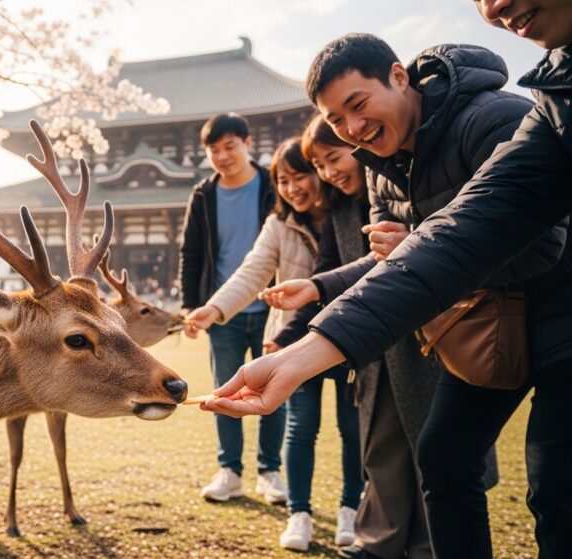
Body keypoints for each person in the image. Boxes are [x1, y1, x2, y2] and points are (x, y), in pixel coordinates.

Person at [203, 19, 572, 558]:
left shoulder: (496, 117)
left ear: (399, 77)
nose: (352, 126)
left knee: (554, 484)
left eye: (358, 103)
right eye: (335, 119)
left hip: (558, 312)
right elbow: (392, 265)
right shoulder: (380, 166)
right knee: (443, 459)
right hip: (484, 321)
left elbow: (536, 244)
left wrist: (415, 239)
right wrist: (307, 327)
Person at [269, 116, 441, 559]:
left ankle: (426, 546)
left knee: (430, 448)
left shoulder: (397, 191)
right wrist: (289, 337)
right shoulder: (340, 209)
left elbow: (386, 265)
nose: (328, 173)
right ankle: (379, 541)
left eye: (332, 159)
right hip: (371, 346)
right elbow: (323, 277)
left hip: (420, 339)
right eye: (320, 165)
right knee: (379, 447)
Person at [185, 138, 362, 551]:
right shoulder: (279, 224)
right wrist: (213, 308)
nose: (291, 188)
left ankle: (351, 510)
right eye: (282, 181)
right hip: (292, 342)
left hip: (355, 335)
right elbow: (252, 273)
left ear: (319, 172)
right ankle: (298, 513)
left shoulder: (348, 215)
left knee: (354, 430)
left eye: (299, 176)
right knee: (301, 428)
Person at [178, 113, 287, 504]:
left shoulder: (273, 185)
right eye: (214, 150)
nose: (222, 156)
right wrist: (192, 303)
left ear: (248, 143)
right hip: (220, 312)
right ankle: (229, 471)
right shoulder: (203, 195)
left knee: (275, 390)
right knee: (224, 393)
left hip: (273, 310)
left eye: (229, 146)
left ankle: (270, 471)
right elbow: (190, 252)